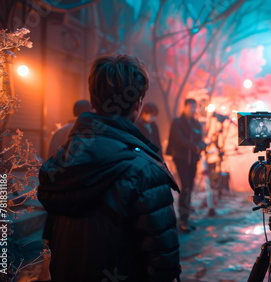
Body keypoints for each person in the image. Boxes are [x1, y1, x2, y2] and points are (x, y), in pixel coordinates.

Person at [37, 54, 181, 281]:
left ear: (93, 100)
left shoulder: (63, 161)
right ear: (137, 103)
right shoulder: (144, 171)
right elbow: (163, 264)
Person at [166, 98, 206, 233]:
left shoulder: (196, 123)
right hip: (181, 158)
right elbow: (179, 140)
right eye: (190, 107)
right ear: (184, 107)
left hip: (193, 159)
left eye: (194, 107)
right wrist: (194, 146)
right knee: (186, 186)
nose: (193, 110)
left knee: (190, 188)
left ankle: (186, 218)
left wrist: (201, 145)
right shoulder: (177, 122)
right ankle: (182, 220)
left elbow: (200, 139)